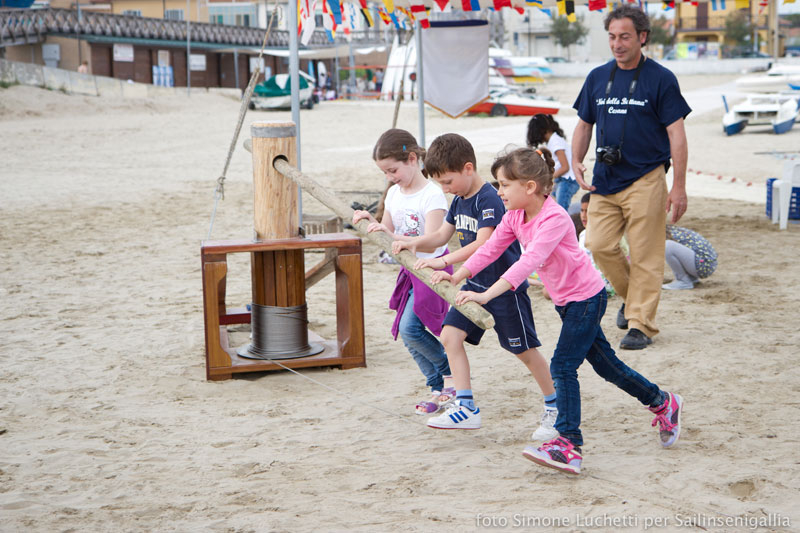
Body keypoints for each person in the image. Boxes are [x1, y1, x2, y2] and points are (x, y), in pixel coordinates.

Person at [454, 147, 683, 475]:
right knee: (608, 367)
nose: (499, 191)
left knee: (562, 366)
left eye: (504, 185)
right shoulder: (515, 216)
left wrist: (486, 295)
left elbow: (528, 262)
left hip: (587, 299)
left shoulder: (554, 218)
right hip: (566, 303)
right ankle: (663, 402)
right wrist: (458, 274)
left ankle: (568, 444)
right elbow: (490, 249)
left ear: (529, 187)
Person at [391, 133, 558, 439]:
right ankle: (466, 406)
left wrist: (444, 263)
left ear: (468, 168)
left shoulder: (490, 198)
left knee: (524, 351)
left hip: (504, 288)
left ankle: (554, 403)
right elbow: (441, 236)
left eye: (448, 181)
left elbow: (484, 244)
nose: (445, 189)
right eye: (440, 184)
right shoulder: (459, 200)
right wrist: (411, 242)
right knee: (450, 336)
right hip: (473, 285)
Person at [571, 5, 691, 350]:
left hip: (646, 177)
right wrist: (576, 160)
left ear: (642, 37)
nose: (617, 44)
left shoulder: (661, 78)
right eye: (612, 36)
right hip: (605, 178)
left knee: (645, 254)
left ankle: (641, 325)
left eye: (624, 36)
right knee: (598, 244)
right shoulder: (597, 77)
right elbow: (584, 124)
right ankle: (632, 300)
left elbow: (677, 134)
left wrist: (678, 186)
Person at [352, 129, 455, 415]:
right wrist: (369, 221)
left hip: (432, 270)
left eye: (393, 170)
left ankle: (450, 376)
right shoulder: (394, 193)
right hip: (409, 270)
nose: (390, 177)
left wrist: (398, 239)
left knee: (411, 329)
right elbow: (387, 230)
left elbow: (434, 240)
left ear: (412, 159)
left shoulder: (432, 194)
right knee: (406, 332)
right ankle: (438, 388)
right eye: (384, 172)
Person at [527, 114, 577, 212]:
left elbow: (565, 167)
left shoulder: (555, 142)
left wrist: (548, 178)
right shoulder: (553, 141)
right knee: (552, 205)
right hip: (562, 180)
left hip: (567, 180)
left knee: (561, 210)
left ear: (541, 130)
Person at [663, 225, 717, 290]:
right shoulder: (673, 230)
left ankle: (683, 281)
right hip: (706, 265)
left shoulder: (668, 234)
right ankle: (691, 278)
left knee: (668, 246)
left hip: (702, 265)